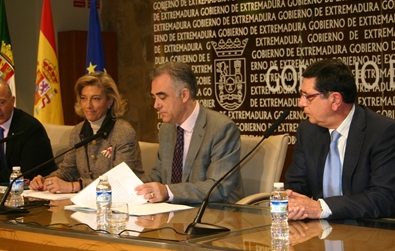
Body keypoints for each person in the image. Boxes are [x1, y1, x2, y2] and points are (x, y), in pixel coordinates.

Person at [285, 58, 395, 220]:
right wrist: (291, 201)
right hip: (324, 231)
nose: (301, 103)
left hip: (380, 230)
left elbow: (383, 197)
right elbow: (297, 184)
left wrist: (321, 208)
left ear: (335, 100)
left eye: (308, 97)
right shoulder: (308, 131)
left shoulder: (383, 132)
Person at [135, 62, 244, 204]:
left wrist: (168, 192)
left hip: (215, 215)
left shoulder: (221, 129)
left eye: (162, 97)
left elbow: (218, 188)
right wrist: (129, 188)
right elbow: (159, 176)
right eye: (154, 97)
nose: (156, 105)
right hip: (173, 215)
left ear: (184, 95)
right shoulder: (166, 130)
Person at [29, 72, 144, 193]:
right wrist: (47, 180)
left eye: (96, 99)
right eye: (84, 98)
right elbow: (68, 170)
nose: (88, 105)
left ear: (109, 101)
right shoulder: (78, 131)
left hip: (122, 202)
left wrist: (74, 186)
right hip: (88, 202)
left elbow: (120, 180)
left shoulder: (123, 132)